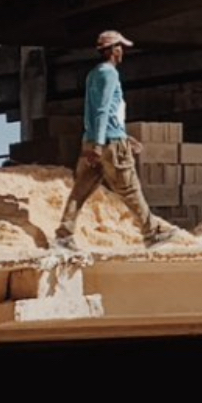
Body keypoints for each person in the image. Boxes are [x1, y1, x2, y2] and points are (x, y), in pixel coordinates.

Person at [54, 30, 180, 254]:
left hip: (95, 140)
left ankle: (64, 235)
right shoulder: (109, 74)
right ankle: (151, 233)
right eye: (120, 47)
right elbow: (103, 110)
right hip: (109, 144)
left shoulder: (93, 74)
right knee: (130, 190)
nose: (123, 52)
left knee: (80, 191)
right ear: (113, 50)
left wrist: (103, 140)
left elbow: (94, 113)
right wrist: (102, 143)